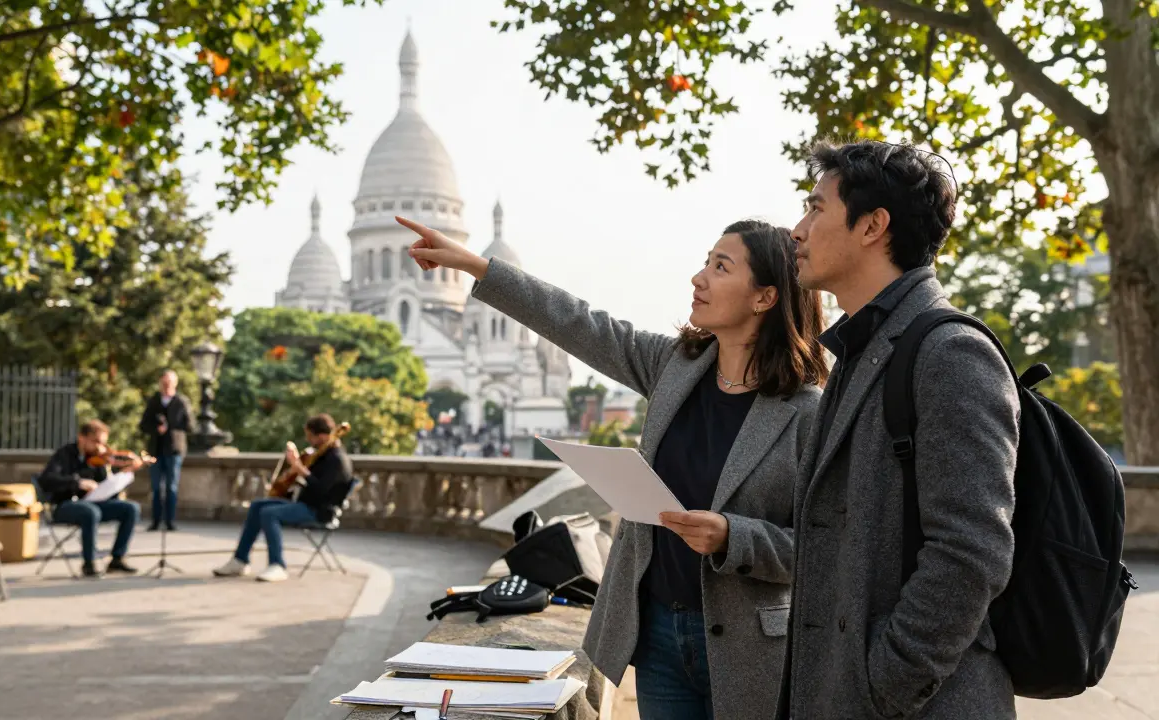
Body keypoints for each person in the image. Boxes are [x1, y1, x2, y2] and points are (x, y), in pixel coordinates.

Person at [398, 215, 829, 720]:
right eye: (704, 262)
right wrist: (476, 266)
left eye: (720, 266)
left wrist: (733, 537)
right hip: (658, 634)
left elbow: (824, 549)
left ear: (764, 297)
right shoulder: (675, 367)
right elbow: (579, 322)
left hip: (751, 652)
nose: (699, 277)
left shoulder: (808, 412)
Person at [778, 140, 1021, 719]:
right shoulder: (860, 350)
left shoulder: (951, 353)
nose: (797, 228)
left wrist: (882, 683)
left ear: (873, 226)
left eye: (816, 208)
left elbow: (971, 553)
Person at [212, 414, 354, 583]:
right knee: (258, 505)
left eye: (310, 436)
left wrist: (300, 469)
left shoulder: (337, 460)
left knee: (269, 514)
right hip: (305, 503)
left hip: (319, 511)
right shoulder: (321, 456)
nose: (308, 441)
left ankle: (277, 565)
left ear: (322, 436)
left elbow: (321, 490)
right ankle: (240, 560)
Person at [37, 420, 143, 578]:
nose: (100, 447)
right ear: (82, 438)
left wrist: (116, 473)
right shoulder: (65, 454)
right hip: (64, 505)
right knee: (90, 512)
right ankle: (89, 563)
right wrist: (77, 482)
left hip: (94, 504)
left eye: (103, 443)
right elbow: (47, 479)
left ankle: (117, 559)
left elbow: (107, 491)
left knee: (131, 509)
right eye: (96, 442)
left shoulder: (99, 459)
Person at [139, 369, 192, 531]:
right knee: (156, 488)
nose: (166, 385)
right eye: (164, 383)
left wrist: (171, 428)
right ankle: (155, 521)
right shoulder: (154, 401)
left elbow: (190, 425)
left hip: (174, 450)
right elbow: (143, 425)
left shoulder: (181, 401)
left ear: (174, 383)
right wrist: (157, 429)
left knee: (171, 487)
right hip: (156, 450)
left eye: (169, 383)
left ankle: (170, 521)